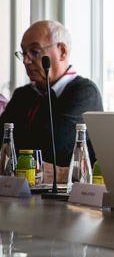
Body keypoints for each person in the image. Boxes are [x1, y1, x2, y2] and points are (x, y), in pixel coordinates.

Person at [0, 20, 103, 167]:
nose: (26, 61)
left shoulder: (84, 93)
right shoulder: (23, 95)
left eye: (35, 52)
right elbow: (3, 145)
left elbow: (57, 151)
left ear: (62, 51)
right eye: (24, 53)